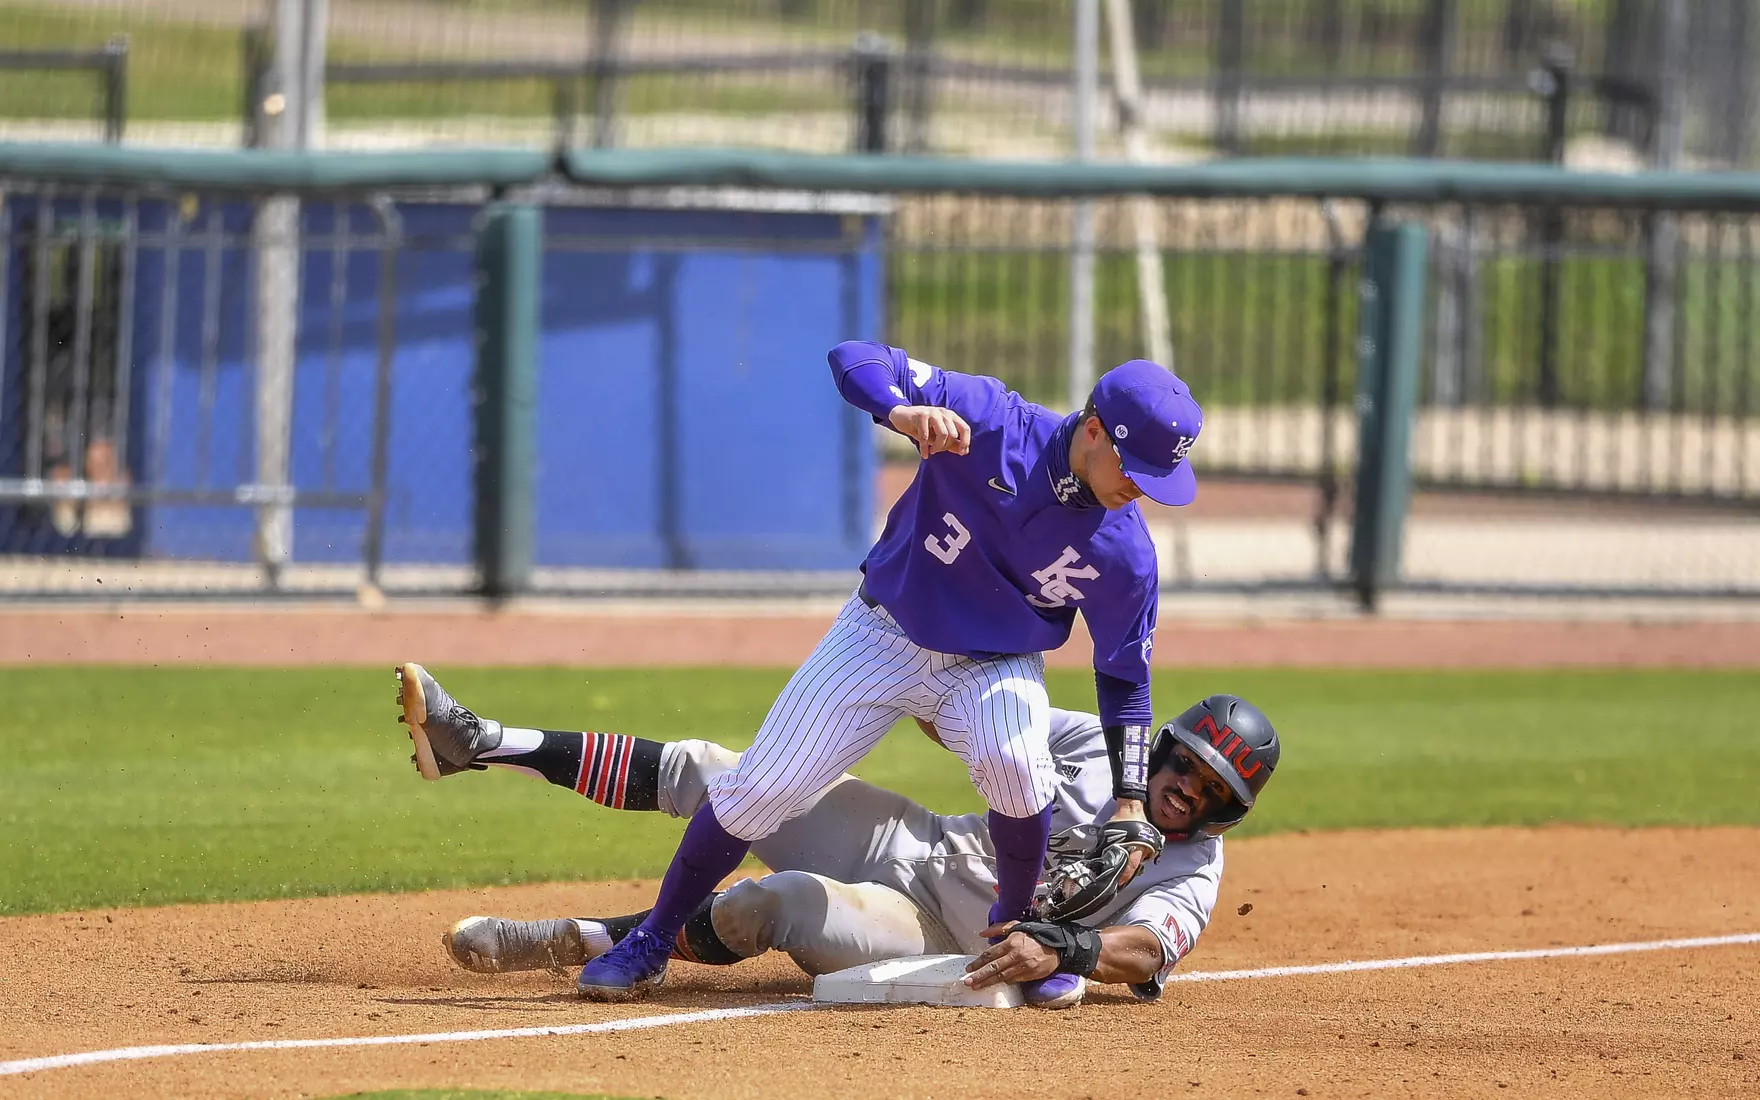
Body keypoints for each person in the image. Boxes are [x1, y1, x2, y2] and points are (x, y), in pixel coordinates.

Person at [469, 341, 1203, 1004]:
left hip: (992, 664)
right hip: (881, 633)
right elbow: (855, 355)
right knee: (761, 788)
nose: (1142, 489)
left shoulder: (1127, 555)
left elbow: (1124, 678)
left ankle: (1018, 929)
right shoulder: (992, 419)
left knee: (1019, 763)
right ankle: (653, 940)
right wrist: (900, 410)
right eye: (1137, 470)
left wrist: (1132, 796)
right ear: (1096, 428)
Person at [395, 664, 1279, 1008]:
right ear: (1163, 748)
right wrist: (957, 705)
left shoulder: (1197, 865)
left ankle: (584, 937)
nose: (1187, 791)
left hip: (944, 940)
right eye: (1189, 766)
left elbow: (1148, 950)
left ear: (1225, 809)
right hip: (916, 840)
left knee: (769, 905)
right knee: (718, 770)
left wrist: (1072, 947)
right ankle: (480, 744)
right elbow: (980, 724)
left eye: (1211, 791)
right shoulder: (1100, 744)